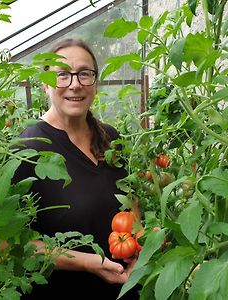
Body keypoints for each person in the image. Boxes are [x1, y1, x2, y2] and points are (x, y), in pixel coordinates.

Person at [13, 38, 140, 299]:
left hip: (124, 287)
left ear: (95, 81)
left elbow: (132, 201)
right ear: (45, 85)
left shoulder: (110, 137)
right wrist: (87, 262)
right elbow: (14, 244)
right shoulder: (27, 150)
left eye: (85, 73)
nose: (75, 84)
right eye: (62, 75)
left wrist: (138, 248)